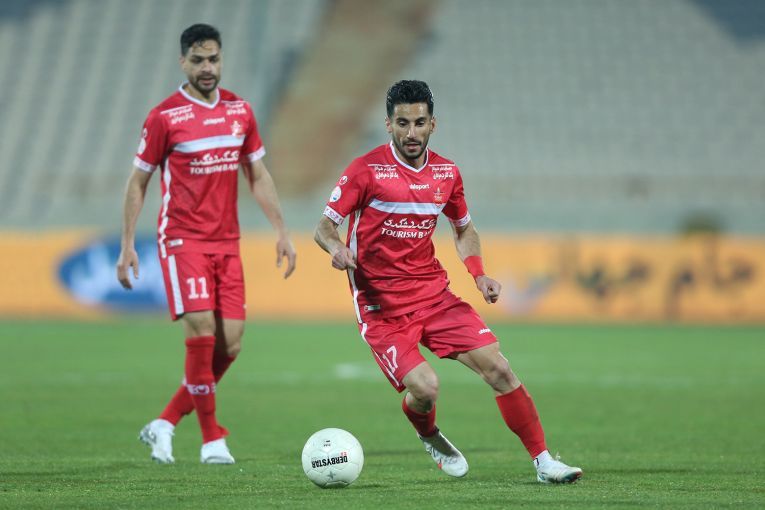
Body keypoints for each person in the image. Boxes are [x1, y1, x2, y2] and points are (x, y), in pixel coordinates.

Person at [314, 80, 582, 483]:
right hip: (381, 307)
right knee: (425, 389)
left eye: (419, 123)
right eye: (402, 123)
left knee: (500, 369)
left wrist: (479, 273)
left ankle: (544, 462)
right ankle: (428, 433)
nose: (411, 132)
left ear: (433, 124)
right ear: (388, 125)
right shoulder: (365, 171)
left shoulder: (446, 173)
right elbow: (323, 227)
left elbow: (464, 228)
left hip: (433, 296)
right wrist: (336, 248)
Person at [117, 24, 296, 465]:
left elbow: (258, 174)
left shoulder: (240, 111)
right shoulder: (164, 117)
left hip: (227, 242)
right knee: (201, 332)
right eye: (197, 60)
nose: (207, 67)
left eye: (213, 59)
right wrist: (127, 244)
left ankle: (164, 423)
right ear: (183, 62)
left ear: (221, 59)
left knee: (230, 345)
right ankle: (212, 439)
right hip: (183, 239)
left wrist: (281, 230)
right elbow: (138, 182)